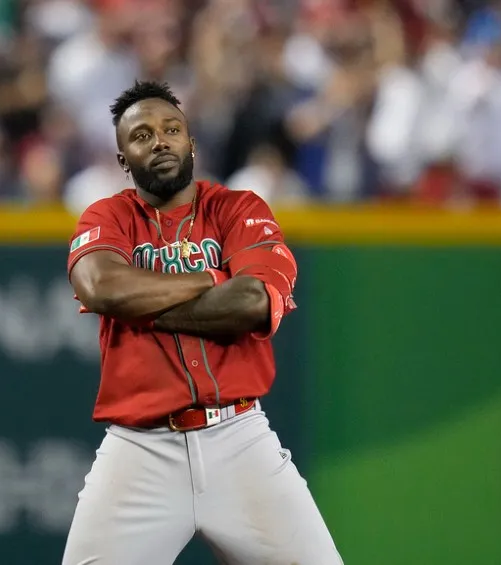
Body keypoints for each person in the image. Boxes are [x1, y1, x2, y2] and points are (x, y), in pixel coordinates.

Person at [63, 80, 343, 565]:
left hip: (240, 437)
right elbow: (101, 288)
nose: (161, 140)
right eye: (142, 135)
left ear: (192, 143)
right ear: (123, 159)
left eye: (172, 129)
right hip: (139, 448)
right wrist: (214, 277)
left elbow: (253, 299)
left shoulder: (240, 209)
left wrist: (144, 304)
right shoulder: (107, 216)